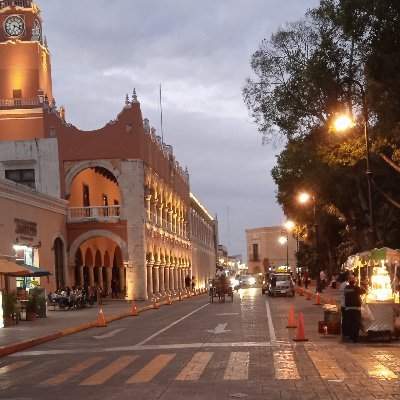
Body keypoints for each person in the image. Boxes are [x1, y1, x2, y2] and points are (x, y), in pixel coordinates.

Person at [344, 275, 366, 343]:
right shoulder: (356, 288)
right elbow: (364, 291)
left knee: (350, 323)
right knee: (356, 324)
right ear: (354, 281)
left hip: (348, 308)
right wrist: (362, 284)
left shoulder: (346, 288)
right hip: (356, 308)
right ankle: (354, 338)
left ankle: (350, 337)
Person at [338, 271, 349, 341]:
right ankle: (346, 333)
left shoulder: (342, 284)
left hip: (343, 304)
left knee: (344, 319)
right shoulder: (345, 284)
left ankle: (344, 333)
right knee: (346, 319)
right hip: (346, 304)